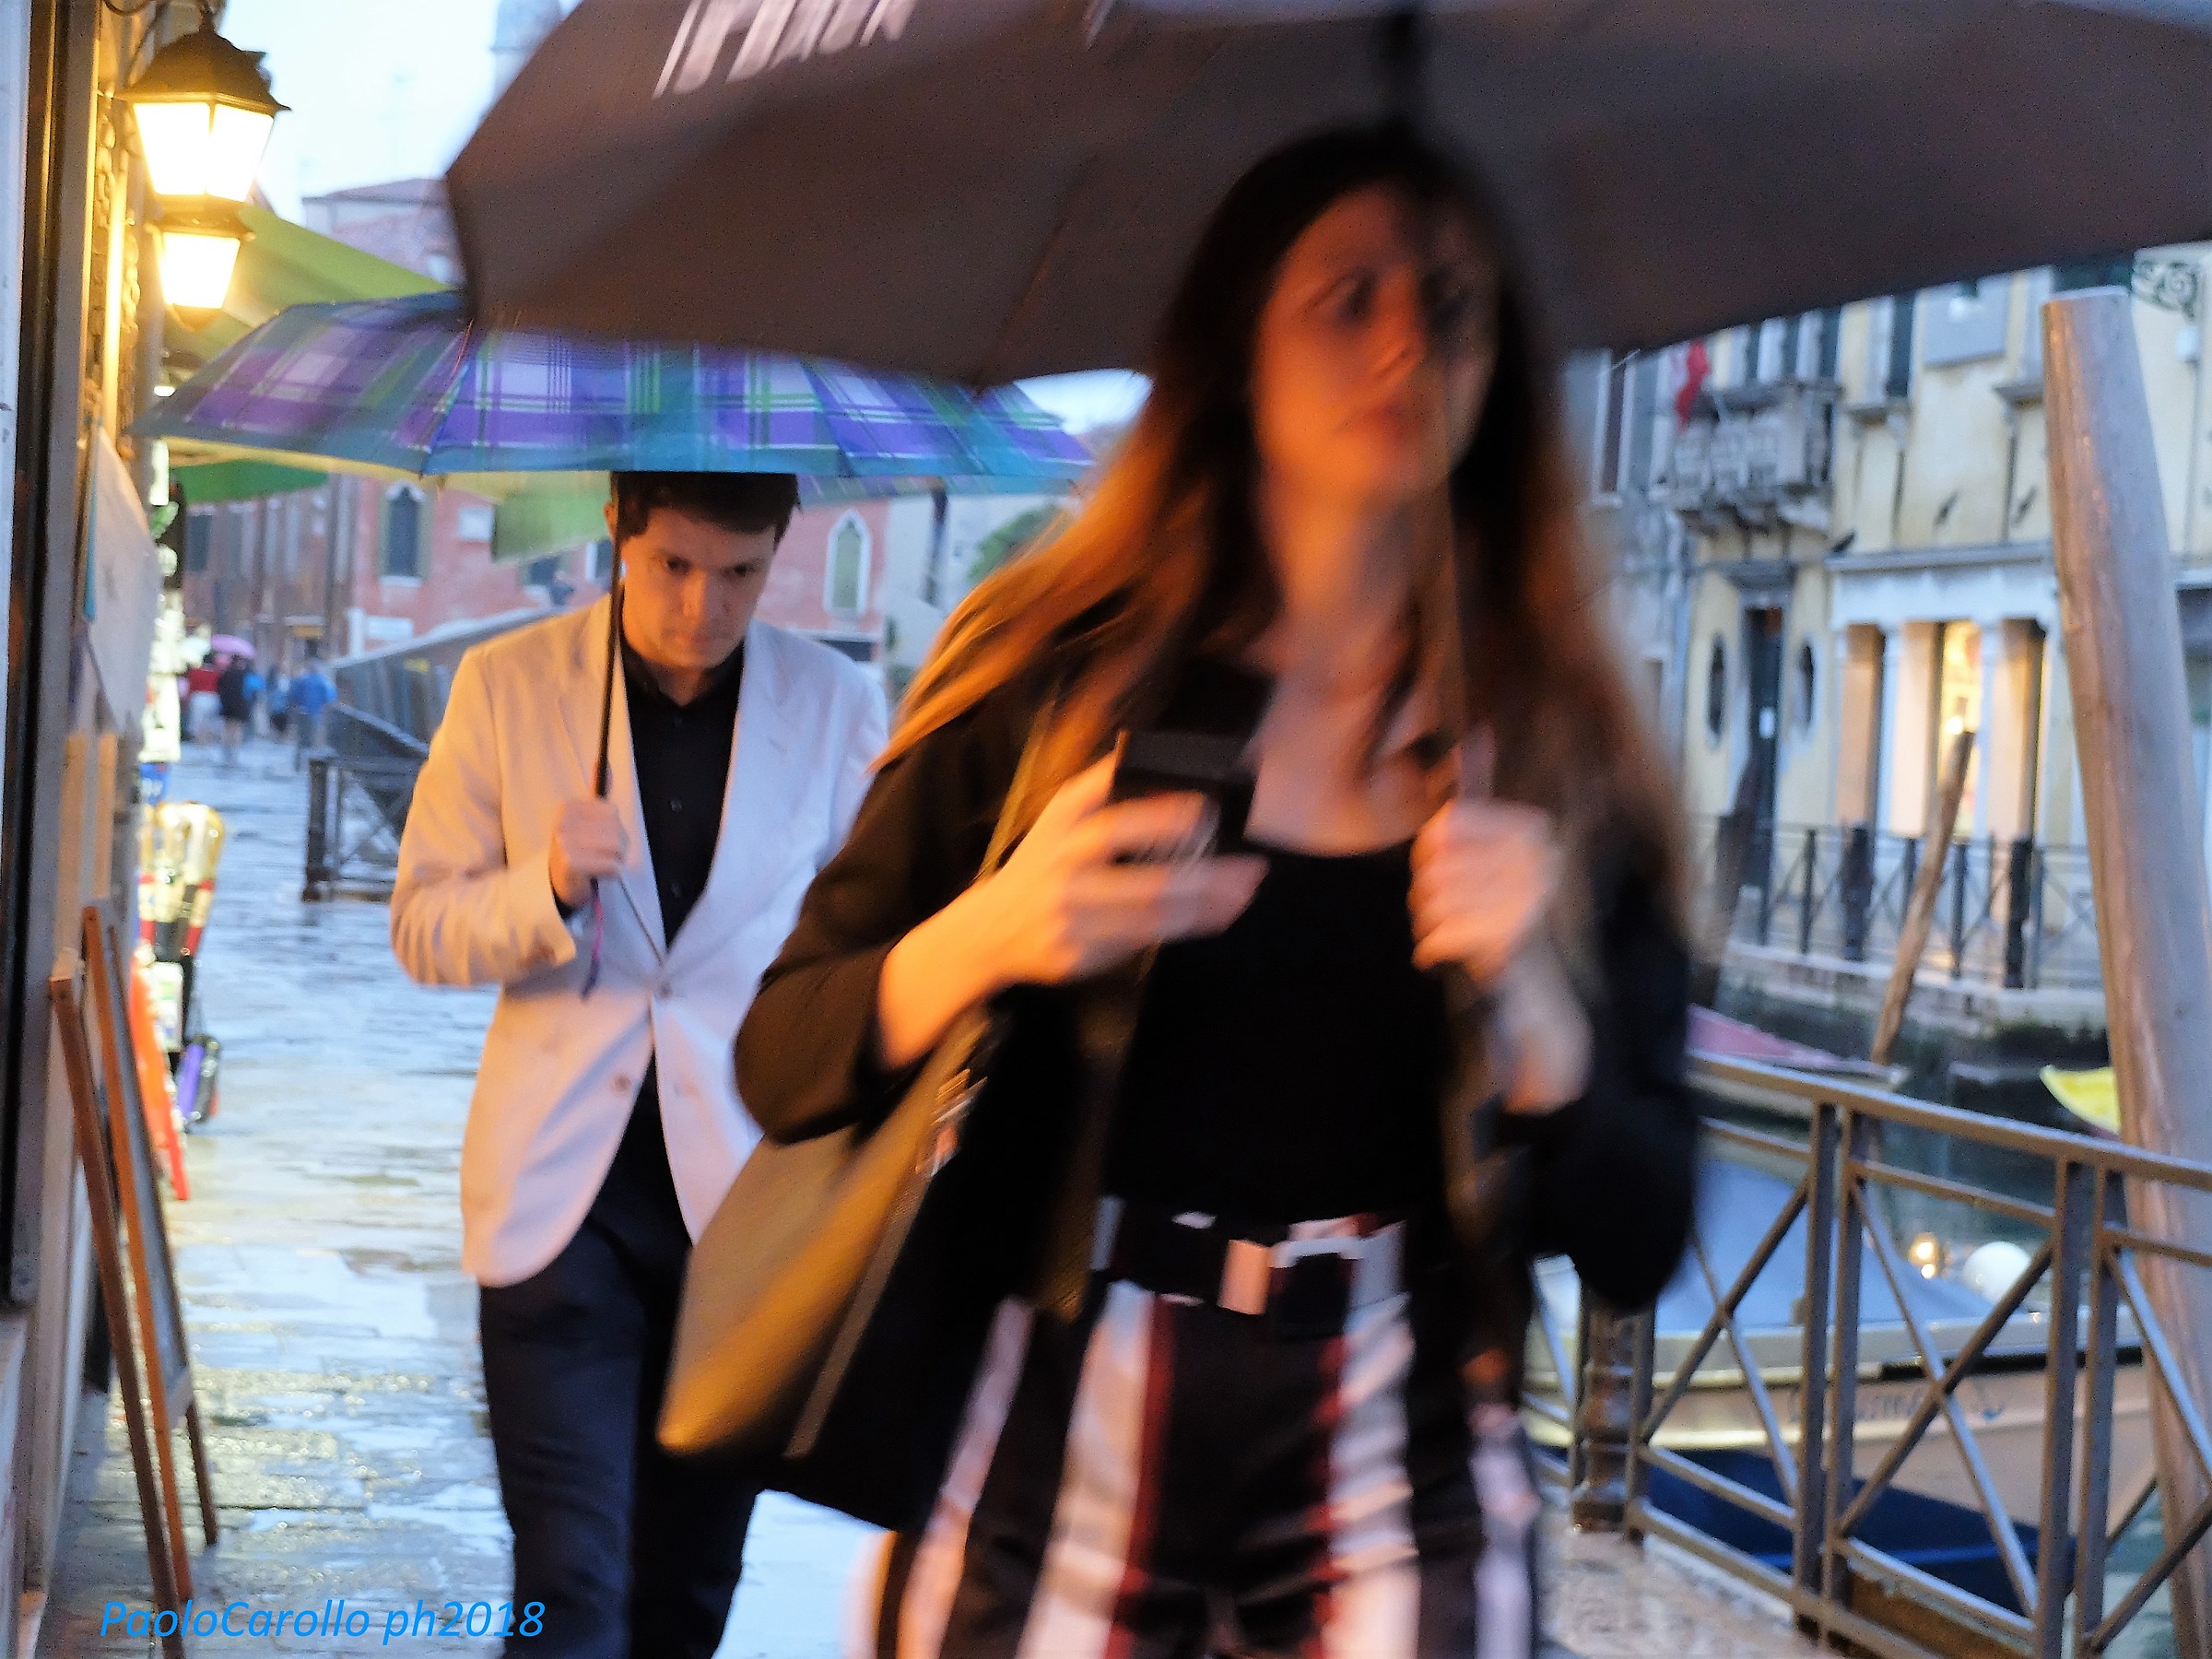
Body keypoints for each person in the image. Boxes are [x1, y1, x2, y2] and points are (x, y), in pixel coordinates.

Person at [736, 127, 1697, 1658]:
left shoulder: (1561, 748)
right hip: (1067, 1406)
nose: (1407, 345)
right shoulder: (1052, 675)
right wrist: (992, 932)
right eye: (1348, 297)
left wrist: (1541, 1023)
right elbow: (783, 1055)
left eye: (1453, 304)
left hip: (1404, 1434)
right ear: (1236, 342)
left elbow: (1643, 1236)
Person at [392, 472, 888, 1658]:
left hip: (745, 1215)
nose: (704, 606)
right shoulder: (508, 684)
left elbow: (870, 947)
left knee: (688, 1590)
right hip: (559, 1209)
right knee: (570, 1584)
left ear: (779, 551)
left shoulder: (838, 705)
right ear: (619, 531)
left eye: (740, 574)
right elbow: (422, 927)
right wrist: (546, 887)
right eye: (675, 565)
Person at [288, 654, 335, 771]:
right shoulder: (322, 681)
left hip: (302, 713)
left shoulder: (302, 680)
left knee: (301, 740)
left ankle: (298, 765)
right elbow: (328, 698)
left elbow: (293, 696)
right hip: (314, 714)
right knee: (313, 740)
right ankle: (311, 767)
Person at [215, 654, 253, 767]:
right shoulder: (244, 674)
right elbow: (250, 689)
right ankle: (234, 753)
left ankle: (225, 752)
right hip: (240, 705)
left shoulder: (226, 674)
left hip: (227, 705)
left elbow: (219, 687)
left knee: (227, 727)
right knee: (237, 729)